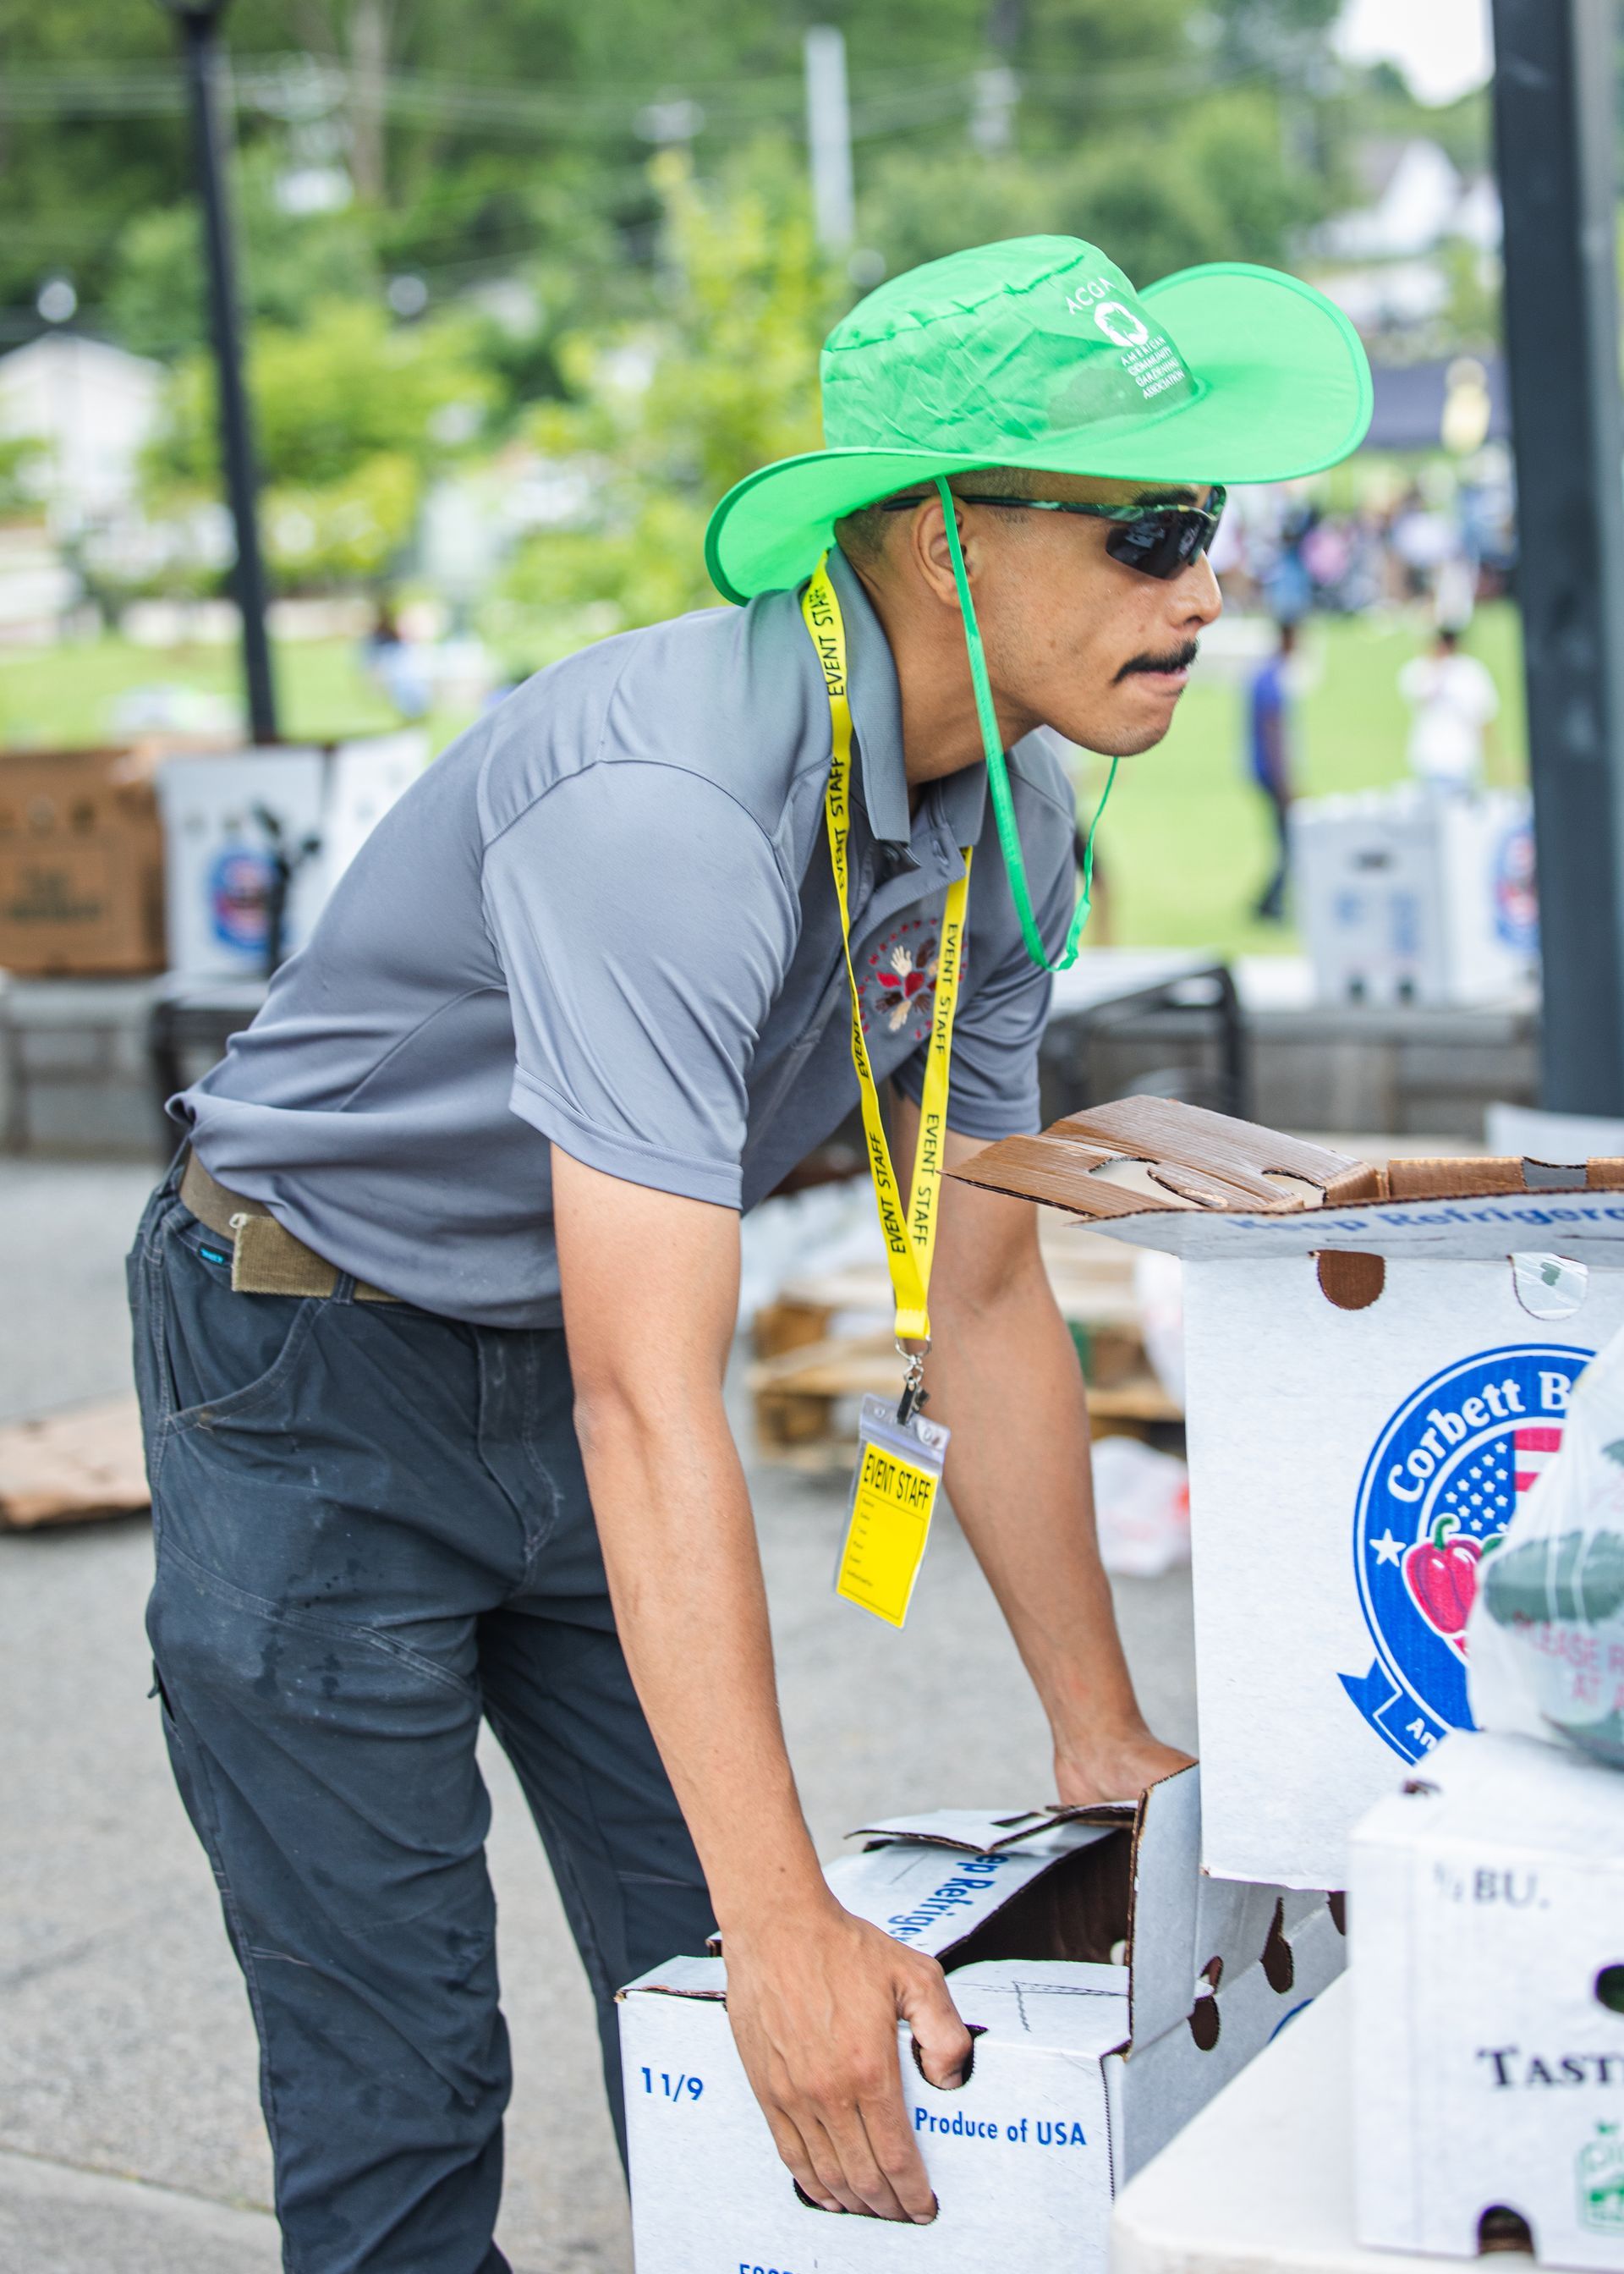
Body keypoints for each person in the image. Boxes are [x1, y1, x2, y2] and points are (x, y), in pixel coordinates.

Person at [129, 233, 1370, 2271]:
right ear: (936, 540)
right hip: (310, 1372)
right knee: (411, 2070)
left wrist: (1098, 1736)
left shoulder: (1017, 827)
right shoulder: (668, 807)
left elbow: (977, 1288)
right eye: (1151, 529)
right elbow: (654, 1393)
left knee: (718, 1992)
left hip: (564, 1365)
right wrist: (792, 1919)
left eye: (1211, 528)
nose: (1206, 589)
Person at [1398, 623, 1500, 796]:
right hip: (1429, 757)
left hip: (1463, 758)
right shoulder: (1420, 669)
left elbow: (1484, 716)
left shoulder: (1471, 672)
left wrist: (1491, 759)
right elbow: (1420, 698)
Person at [1247, 622, 1298, 921]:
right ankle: (1269, 903)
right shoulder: (1272, 681)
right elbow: (1273, 734)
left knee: (1284, 841)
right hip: (1271, 775)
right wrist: (1284, 784)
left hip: (1263, 772)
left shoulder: (1262, 676)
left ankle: (1270, 901)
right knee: (1288, 842)